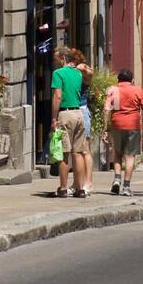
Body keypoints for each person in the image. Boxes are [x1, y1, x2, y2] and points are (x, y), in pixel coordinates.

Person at [105, 68, 143, 197]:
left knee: (117, 154)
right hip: (133, 125)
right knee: (130, 156)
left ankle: (117, 179)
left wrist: (106, 128)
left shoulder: (113, 90)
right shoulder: (137, 90)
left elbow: (106, 109)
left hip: (116, 124)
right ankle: (126, 186)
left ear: (118, 80)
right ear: (132, 80)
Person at [49, 47, 88, 198]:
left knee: (64, 153)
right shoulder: (78, 74)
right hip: (79, 113)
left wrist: (54, 118)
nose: (56, 63)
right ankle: (80, 188)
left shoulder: (58, 74)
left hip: (65, 114)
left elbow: (57, 96)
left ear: (63, 59)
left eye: (57, 60)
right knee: (77, 153)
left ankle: (63, 188)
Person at [68, 48, 94, 197]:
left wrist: (79, 66)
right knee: (75, 151)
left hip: (82, 111)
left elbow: (89, 73)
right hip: (73, 112)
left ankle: (87, 183)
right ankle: (77, 183)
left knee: (85, 150)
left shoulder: (82, 73)